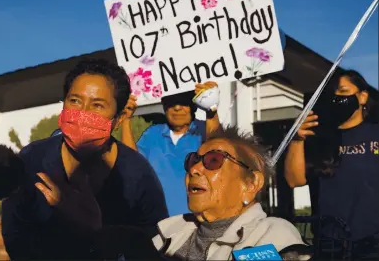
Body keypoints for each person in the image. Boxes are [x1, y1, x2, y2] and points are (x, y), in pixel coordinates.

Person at [1, 59, 169, 260]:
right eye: (75, 101)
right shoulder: (31, 160)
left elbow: (153, 245)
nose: (83, 112)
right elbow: (15, 235)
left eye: (97, 105)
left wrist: (95, 234)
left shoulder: (137, 174)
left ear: (118, 119)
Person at [152, 126, 311, 260]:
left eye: (213, 160)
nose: (194, 169)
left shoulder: (272, 235)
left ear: (250, 184)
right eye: (193, 160)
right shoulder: (168, 233)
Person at [284, 69, 379, 259]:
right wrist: (296, 140)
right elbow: (294, 181)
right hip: (330, 244)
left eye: (343, 91)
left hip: (374, 244)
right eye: (332, 93)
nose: (337, 97)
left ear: (362, 97)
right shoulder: (317, 137)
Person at [121, 83, 221, 216]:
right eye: (171, 102)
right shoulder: (152, 134)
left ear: (193, 106)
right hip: (157, 222)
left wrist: (211, 111)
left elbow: (219, 151)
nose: (177, 108)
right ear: (164, 105)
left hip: (197, 222)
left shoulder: (204, 131)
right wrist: (126, 119)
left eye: (183, 102)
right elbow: (131, 162)